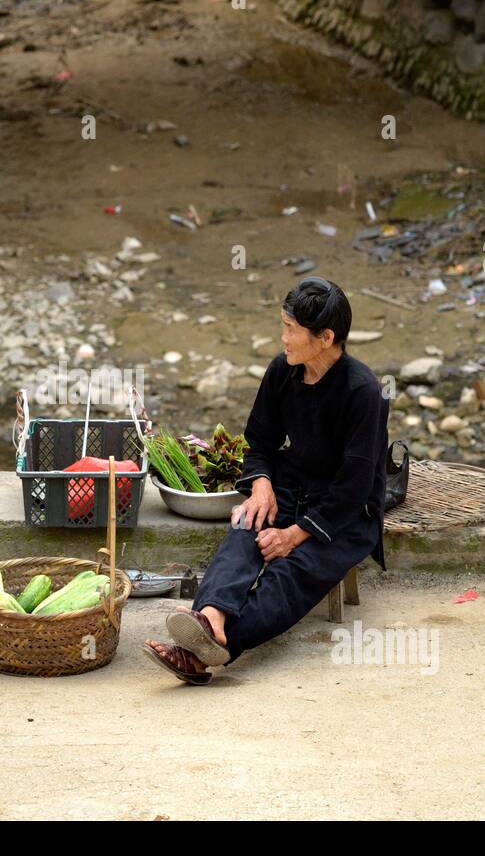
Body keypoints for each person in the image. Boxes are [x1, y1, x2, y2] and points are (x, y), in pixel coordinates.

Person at [143, 277, 389, 684]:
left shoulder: (363, 392)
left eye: (291, 329)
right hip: (291, 486)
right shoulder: (283, 371)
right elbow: (259, 443)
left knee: (288, 574)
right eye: (283, 326)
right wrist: (261, 486)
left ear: (325, 337)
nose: (283, 338)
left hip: (343, 514)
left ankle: (202, 653)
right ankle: (210, 618)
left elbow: (355, 486)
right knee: (245, 528)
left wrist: (294, 535)